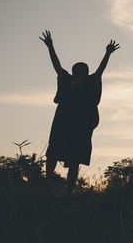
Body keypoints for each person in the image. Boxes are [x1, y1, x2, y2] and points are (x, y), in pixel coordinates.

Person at [40, 30, 119, 194]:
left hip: (82, 124)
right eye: (77, 71)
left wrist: (107, 53)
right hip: (62, 120)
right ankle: (48, 185)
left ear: (86, 72)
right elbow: (57, 65)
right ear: (73, 71)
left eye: (82, 71)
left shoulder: (91, 82)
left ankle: (69, 190)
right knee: (53, 152)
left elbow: (100, 70)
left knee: (75, 158)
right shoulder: (66, 79)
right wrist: (50, 46)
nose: (79, 74)